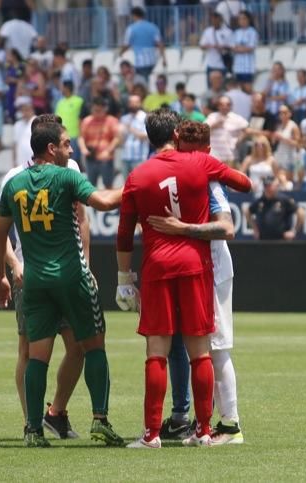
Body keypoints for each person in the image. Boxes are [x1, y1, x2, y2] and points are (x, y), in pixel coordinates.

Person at [116, 113, 251, 449]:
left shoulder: (137, 175)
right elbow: (244, 183)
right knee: (201, 351)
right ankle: (205, 431)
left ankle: (151, 435)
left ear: (148, 138)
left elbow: (123, 234)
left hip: (157, 267)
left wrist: (123, 278)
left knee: (156, 351)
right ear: (175, 133)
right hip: (195, 265)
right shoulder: (200, 163)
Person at [0, 122, 125, 448]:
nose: (71, 150)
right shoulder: (67, 176)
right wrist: (136, 185)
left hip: (34, 280)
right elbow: (104, 204)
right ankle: (100, 420)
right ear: (51, 149)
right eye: (66, 145)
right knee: (93, 346)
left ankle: (33, 430)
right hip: (71, 277)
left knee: (37, 356)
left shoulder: (15, 183)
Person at [79, 98, 121, 188]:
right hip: (91, 157)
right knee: (90, 186)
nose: (97, 113)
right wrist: (84, 149)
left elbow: (117, 138)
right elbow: (81, 137)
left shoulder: (111, 121)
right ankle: (93, 202)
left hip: (106, 158)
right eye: (95, 110)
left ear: (105, 109)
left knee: (108, 185)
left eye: (99, 110)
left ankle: (109, 202)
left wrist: (108, 151)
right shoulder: (87, 121)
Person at [248, 176, 304, 240]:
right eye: (266, 186)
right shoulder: (260, 201)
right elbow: (247, 211)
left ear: (276, 186)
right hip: (263, 241)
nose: (267, 188)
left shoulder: (283, 200)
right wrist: (255, 229)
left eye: (270, 186)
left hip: (281, 240)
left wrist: (294, 231)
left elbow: (301, 213)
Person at [120, 7, 166, 82]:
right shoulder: (153, 27)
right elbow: (160, 43)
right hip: (153, 59)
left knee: (143, 82)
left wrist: (121, 52)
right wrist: (164, 59)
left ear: (134, 15)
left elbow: (126, 44)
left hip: (140, 61)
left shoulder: (131, 28)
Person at [207, 96, 250, 167]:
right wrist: (214, 125)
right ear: (218, 106)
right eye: (222, 104)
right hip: (214, 157)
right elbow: (202, 130)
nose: (225, 107)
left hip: (230, 157)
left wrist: (239, 140)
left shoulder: (236, 118)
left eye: (228, 104)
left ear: (231, 106)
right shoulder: (212, 117)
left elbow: (247, 130)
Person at [55, 81, 85, 162]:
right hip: (62, 136)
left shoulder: (79, 101)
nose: (62, 90)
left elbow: (82, 118)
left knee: (74, 161)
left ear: (67, 88)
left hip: (74, 136)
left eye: (63, 88)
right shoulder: (60, 102)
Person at [120, 95, 150, 175]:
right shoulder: (124, 118)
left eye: (135, 102)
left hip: (139, 157)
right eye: (131, 102)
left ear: (140, 103)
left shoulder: (145, 117)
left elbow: (146, 136)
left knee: (139, 183)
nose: (133, 104)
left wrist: (131, 129)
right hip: (125, 156)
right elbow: (121, 139)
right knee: (126, 184)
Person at [200, 11, 233, 77]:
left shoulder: (228, 32)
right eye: (213, 19)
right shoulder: (208, 31)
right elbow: (202, 46)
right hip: (211, 65)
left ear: (220, 20)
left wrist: (222, 47)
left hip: (224, 64)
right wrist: (211, 46)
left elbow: (233, 46)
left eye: (216, 19)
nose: (214, 21)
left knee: (223, 86)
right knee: (211, 87)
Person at [232, 12, 258, 91]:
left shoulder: (253, 32)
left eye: (244, 18)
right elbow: (233, 47)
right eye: (240, 19)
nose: (242, 21)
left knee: (248, 89)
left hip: (248, 67)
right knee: (239, 89)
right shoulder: (236, 33)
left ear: (248, 19)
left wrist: (239, 48)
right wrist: (243, 48)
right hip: (238, 66)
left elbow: (250, 48)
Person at [273, 105, 301, 180]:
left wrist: (282, 138)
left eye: (284, 112)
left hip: (289, 157)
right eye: (280, 113)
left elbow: (297, 144)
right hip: (280, 156)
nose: (282, 115)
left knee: (286, 179)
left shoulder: (293, 126)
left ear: (290, 113)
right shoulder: (279, 126)